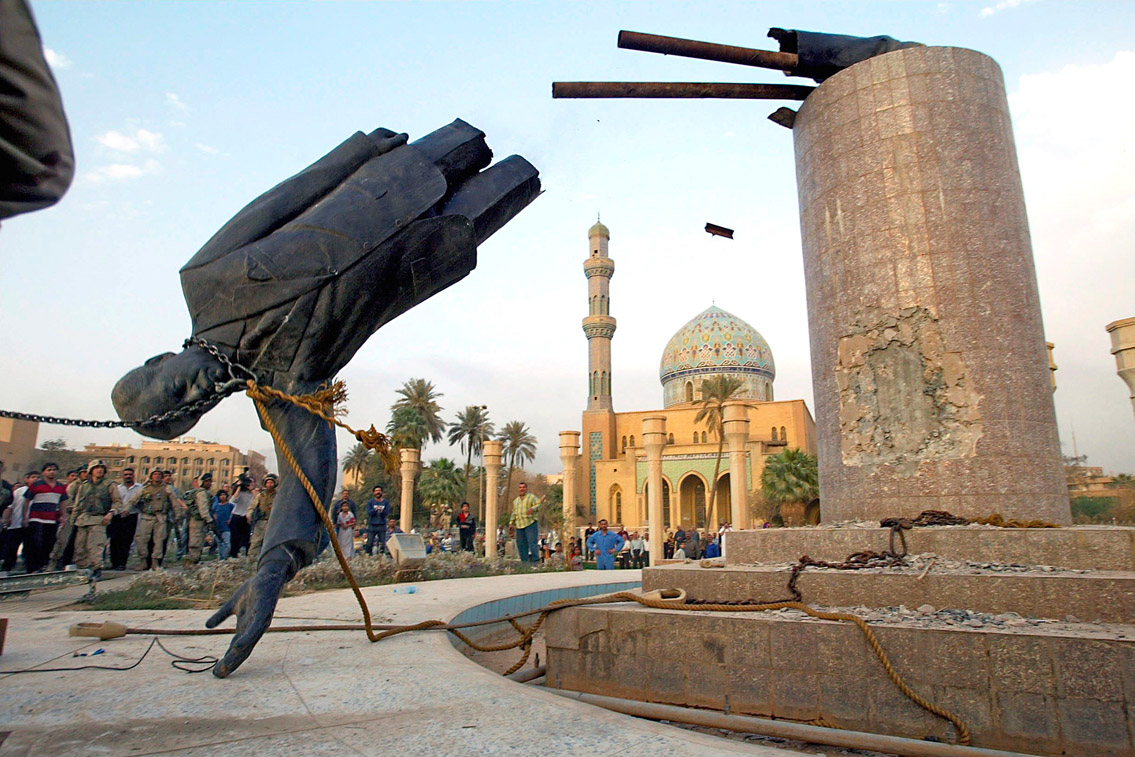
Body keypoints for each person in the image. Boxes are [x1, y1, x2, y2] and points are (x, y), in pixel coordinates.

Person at [71, 460, 123, 578]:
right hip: (83, 519)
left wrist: (111, 513)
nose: (99, 470)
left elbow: (117, 502)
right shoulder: (84, 485)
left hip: (99, 519)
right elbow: (78, 504)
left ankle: (96, 569)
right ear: (91, 470)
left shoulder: (110, 484)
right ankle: (82, 571)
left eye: (101, 468)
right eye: (96, 468)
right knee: (80, 547)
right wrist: (73, 520)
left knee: (96, 546)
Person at [22, 462, 66, 572]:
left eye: (54, 470)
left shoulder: (60, 487)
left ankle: (42, 565)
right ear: (44, 472)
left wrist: (63, 516)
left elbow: (62, 503)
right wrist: (24, 517)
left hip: (51, 519)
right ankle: (32, 567)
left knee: (49, 543)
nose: (52, 472)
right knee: (36, 542)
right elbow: (26, 500)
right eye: (49, 469)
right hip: (36, 518)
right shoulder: (36, 485)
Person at [135, 469, 178, 570]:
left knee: (159, 540)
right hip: (146, 516)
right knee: (141, 539)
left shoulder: (167, 489)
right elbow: (133, 500)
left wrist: (178, 514)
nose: (157, 476)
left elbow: (174, 502)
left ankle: (155, 562)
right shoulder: (145, 488)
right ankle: (143, 561)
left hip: (160, 517)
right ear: (151, 476)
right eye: (155, 474)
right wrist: (126, 509)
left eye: (159, 474)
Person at [51, 463, 86, 569]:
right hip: (71, 516)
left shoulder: (90, 485)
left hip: (84, 518)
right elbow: (68, 503)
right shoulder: (74, 486)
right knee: (64, 541)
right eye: (84, 472)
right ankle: (56, 561)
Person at [1, 470, 37, 572]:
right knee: (12, 548)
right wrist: (7, 519)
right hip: (16, 524)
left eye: (37, 477)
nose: (35, 479)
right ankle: (7, 568)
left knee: (30, 548)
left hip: (30, 525)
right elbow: (10, 506)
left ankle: (29, 568)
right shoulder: (19, 491)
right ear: (27, 479)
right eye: (33, 477)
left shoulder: (38, 492)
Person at [108, 467, 142, 570]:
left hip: (131, 516)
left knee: (126, 541)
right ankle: (114, 563)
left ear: (133, 476)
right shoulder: (118, 488)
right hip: (117, 516)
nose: (128, 476)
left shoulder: (140, 488)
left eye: (130, 474)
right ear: (123, 476)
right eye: (126, 474)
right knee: (114, 540)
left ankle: (122, 563)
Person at [184, 473, 215, 565]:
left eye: (210, 481)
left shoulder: (205, 493)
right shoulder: (201, 493)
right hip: (197, 521)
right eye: (207, 481)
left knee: (200, 541)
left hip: (200, 521)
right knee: (195, 541)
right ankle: (191, 561)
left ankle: (194, 560)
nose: (209, 483)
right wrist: (210, 520)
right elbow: (203, 509)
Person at [508, 482, 542, 563]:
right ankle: (525, 564)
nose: (522, 489)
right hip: (519, 525)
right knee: (521, 545)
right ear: (518, 489)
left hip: (530, 523)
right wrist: (511, 523)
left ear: (526, 488)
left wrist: (532, 509)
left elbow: (539, 504)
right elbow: (514, 512)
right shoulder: (516, 501)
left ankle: (535, 563)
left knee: (532, 544)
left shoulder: (531, 497)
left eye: (523, 487)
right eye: (520, 487)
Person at [248, 474, 277, 558]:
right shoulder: (260, 496)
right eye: (268, 482)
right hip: (261, 522)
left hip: (273, 523)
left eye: (271, 482)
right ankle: (252, 559)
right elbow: (252, 506)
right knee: (255, 542)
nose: (269, 484)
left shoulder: (279, 496)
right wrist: (249, 515)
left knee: (271, 542)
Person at [227, 473, 254, 558]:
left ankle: (245, 555)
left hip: (246, 518)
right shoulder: (238, 493)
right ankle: (233, 555)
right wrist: (238, 486)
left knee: (246, 538)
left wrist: (251, 490)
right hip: (236, 517)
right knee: (234, 538)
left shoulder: (251, 494)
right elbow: (234, 500)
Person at [363, 485, 390, 556]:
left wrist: (382, 511)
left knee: (382, 544)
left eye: (379, 491)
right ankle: (369, 557)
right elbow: (369, 513)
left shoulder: (385, 502)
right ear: (374, 493)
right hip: (372, 525)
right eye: (376, 491)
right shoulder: (370, 502)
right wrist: (375, 510)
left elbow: (386, 513)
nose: (378, 492)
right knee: (369, 543)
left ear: (381, 492)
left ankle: (381, 558)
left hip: (382, 525)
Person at [211, 489, 235, 560]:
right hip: (218, 528)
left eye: (224, 495)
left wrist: (230, 519)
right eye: (221, 495)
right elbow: (213, 514)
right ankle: (221, 559)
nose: (223, 497)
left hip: (226, 528)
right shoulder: (216, 506)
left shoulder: (230, 506)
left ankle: (225, 557)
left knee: (227, 544)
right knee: (220, 544)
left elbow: (234, 513)